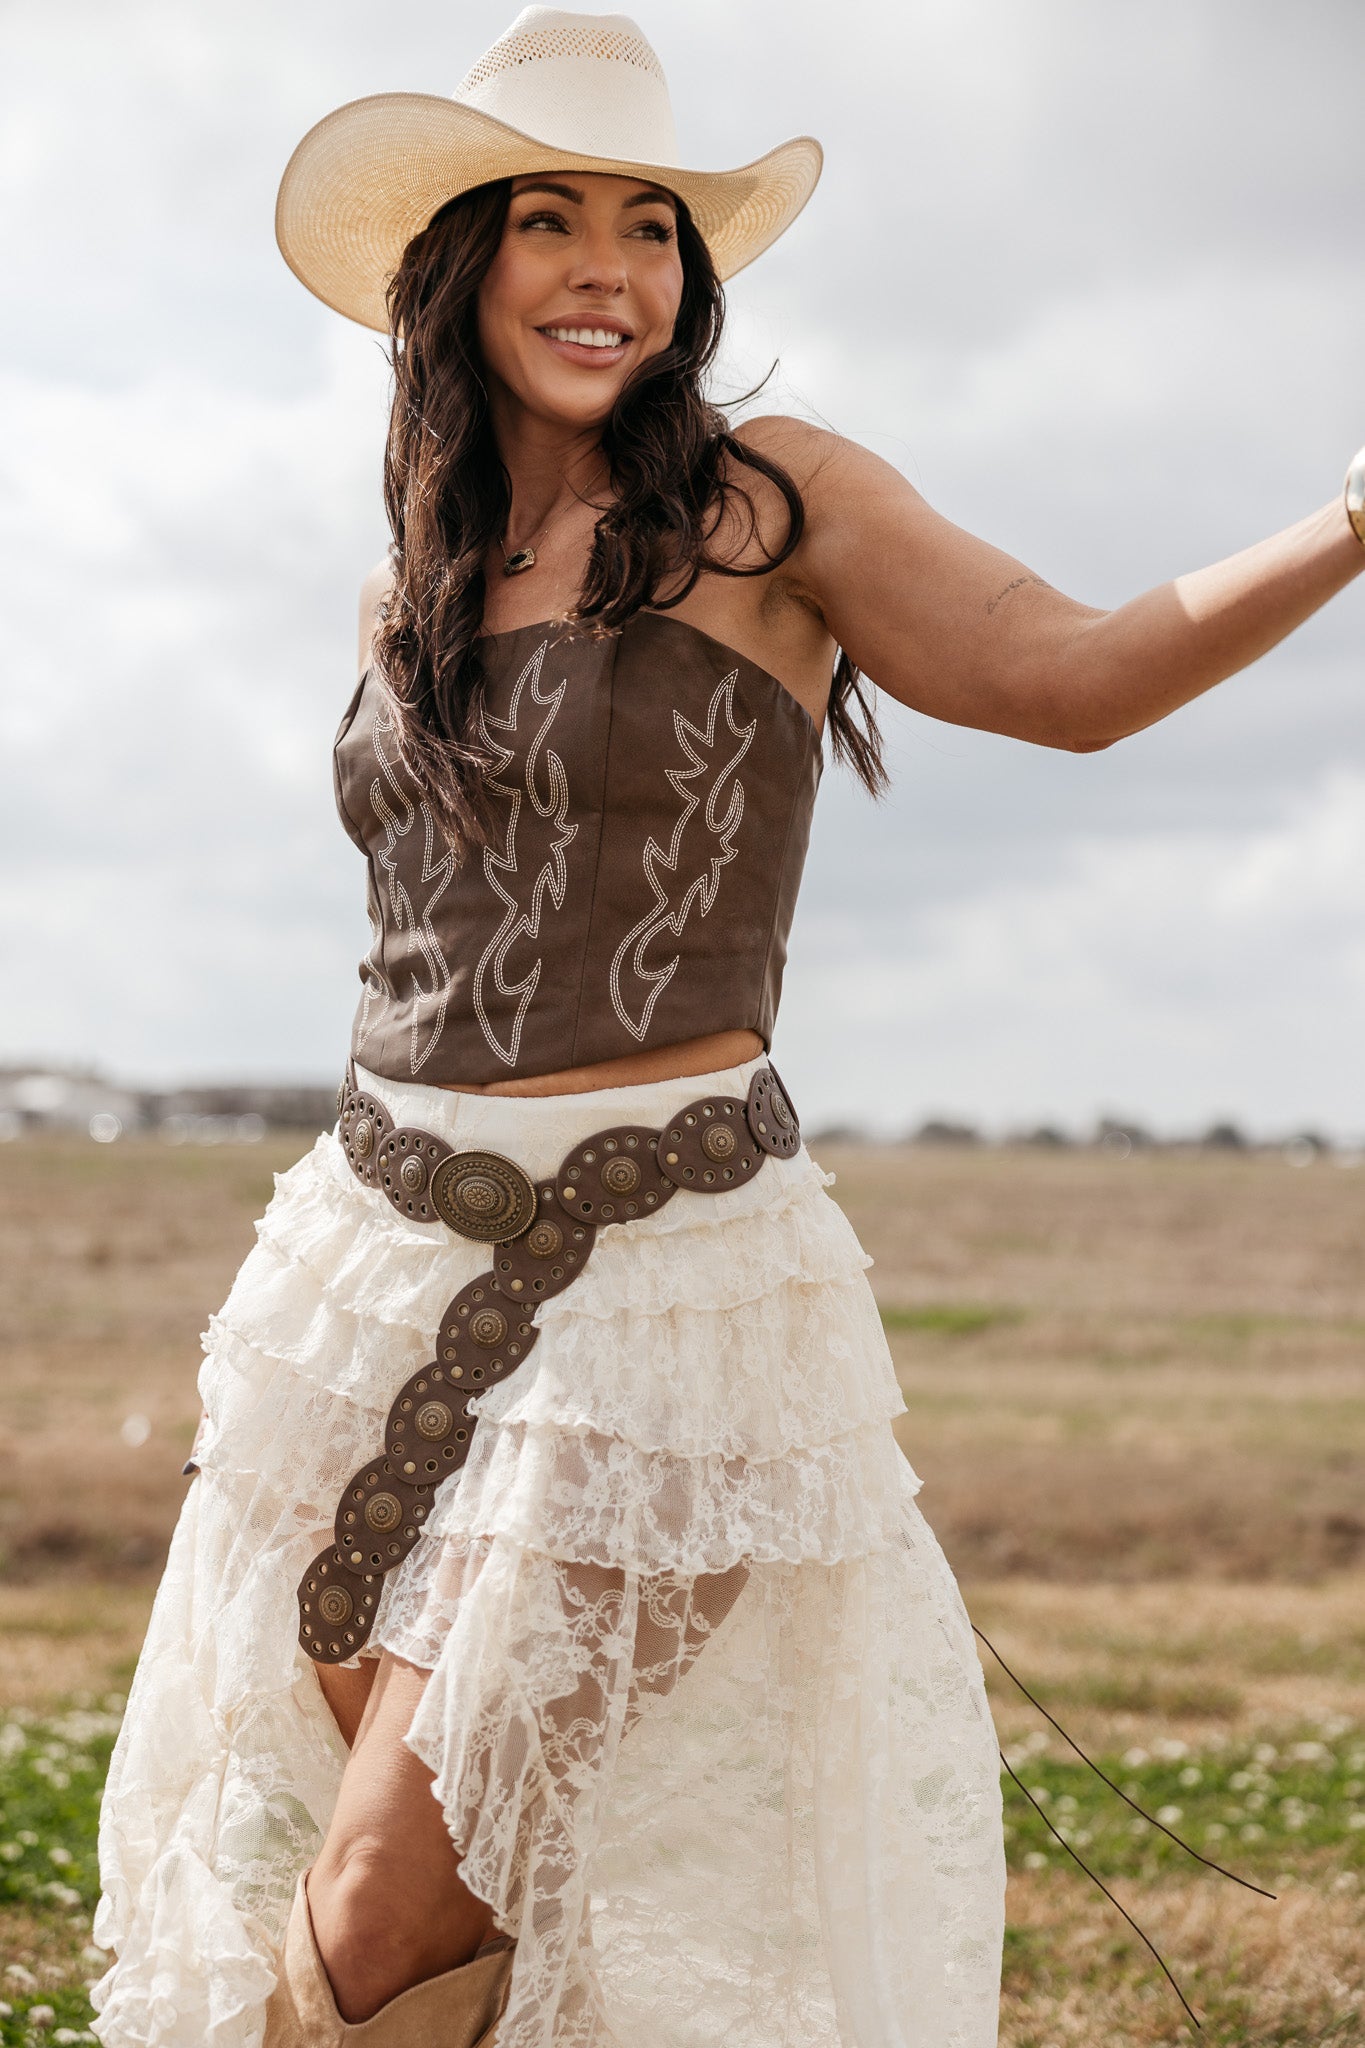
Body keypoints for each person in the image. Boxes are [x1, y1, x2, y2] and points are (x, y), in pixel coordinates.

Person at [89, 10, 1365, 2048]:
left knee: (376, 1909)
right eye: (547, 219)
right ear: (453, 265)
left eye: (650, 230)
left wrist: (1349, 517)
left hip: (656, 1290)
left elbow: (1077, 673)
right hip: (365, 1270)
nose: (607, 267)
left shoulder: (775, 507)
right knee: (445, 1903)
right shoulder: (403, 575)